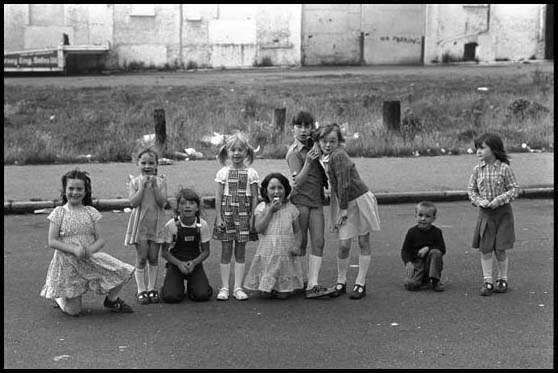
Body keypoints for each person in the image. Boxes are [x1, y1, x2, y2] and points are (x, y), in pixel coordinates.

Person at [40, 169, 134, 316]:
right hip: (67, 263)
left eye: (79, 189)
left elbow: (101, 239)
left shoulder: (91, 212)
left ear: (85, 191)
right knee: (74, 311)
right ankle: (59, 297)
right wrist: (73, 249)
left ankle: (111, 300)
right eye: (71, 188)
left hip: (88, 258)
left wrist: (90, 250)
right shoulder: (59, 212)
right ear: (64, 190)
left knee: (123, 270)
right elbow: (52, 241)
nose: (75, 192)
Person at [316, 123, 381, 300]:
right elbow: (336, 187)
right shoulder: (327, 157)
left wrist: (342, 210)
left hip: (358, 199)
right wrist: (337, 210)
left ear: (339, 141)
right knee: (344, 243)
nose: (327, 145)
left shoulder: (339, 156)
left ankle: (360, 282)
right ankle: (341, 281)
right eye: (323, 141)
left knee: (362, 240)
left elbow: (344, 184)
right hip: (345, 202)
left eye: (332, 141)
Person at [285, 111, 335, 299]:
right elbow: (297, 181)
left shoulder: (315, 144)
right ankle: (292, 279)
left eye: (307, 126)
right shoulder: (294, 153)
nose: (304, 130)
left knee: (319, 242)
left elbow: (329, 139)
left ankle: (312, 284)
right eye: (299, 126)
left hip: (316, 200)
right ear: (293, 128)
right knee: (300, 244)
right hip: (301, 201)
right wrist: (309, 161)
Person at [468, 133, 519, 296]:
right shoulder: (477, 170)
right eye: (477, 148)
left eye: (482, 148)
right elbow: (471, 190)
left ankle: (502, 279)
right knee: (486, 248)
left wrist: (499, 199)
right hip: (485, 214)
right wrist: (478, 201)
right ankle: (487, 281)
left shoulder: (504, 168)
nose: (478, 152)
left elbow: (514, 189)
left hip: (502, 214)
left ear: (494, 149)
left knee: (501, 248)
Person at [213, 133, 259, 301]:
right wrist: (219, 217)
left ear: (246, 152)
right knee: (226, 251)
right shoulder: (223, 172)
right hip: (227, 214)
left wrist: (253, 217)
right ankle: (225, 287)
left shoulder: (252, 173)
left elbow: (255, 197)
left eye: (240, 150)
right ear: (227, 152)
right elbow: (218, 196)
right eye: (233, 150)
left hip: (244, 215)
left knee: (240, 251)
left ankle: (238, 287)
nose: (237, 153)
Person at [243, 172, 305, 299]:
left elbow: (298, 231)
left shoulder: (291, 209)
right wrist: (270, 211)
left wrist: (298, 245)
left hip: (285, 251)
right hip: (268, 251)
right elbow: (259, 228)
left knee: (284, 294)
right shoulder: (262, 207)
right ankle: (268, 287)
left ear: (286, 190)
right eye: (272, 188)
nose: (276, 191)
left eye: (280, 188)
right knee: (265, 294)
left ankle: (284, 288)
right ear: (265, 191)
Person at [124, 148, 168, 305]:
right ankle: (141, 289)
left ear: (156, 165)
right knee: (142, 258)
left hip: (156, 224)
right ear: (138, 164)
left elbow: (162, 202)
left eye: (151, 163)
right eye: (143, 163)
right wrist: (142, 187)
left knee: (153, 257)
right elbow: (133, 202)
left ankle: (151, 288)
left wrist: (155, 187)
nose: (147, 166)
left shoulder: (161, 182)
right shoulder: (134, 182)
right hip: (140, 225)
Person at [160, 188, 213, 303]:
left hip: (194, 262)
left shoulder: (202, 225)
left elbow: (206, 251)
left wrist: (194, 263)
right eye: (183, 203)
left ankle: (192, 286)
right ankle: (173, 284)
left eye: (191, 203)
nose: (187, 206)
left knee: (202, 295)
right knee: (171, 297)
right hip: (175, 263)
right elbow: (164, 252)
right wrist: (179, 264)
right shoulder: (171, 225)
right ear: (178, 208)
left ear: (197, 207)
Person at [401, 201, 446, 292]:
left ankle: (435, 280)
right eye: (420, 215)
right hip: (417, 263)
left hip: (431, 262)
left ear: (434, 218)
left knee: (436, 252)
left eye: (427, 216)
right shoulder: (412, 232)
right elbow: (405, 251)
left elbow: (442, 249)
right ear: (415, 216)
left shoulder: (437, 232)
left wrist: (428, 248)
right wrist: (408, 263)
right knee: (410, 285)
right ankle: (422, 280)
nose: (423, 219)